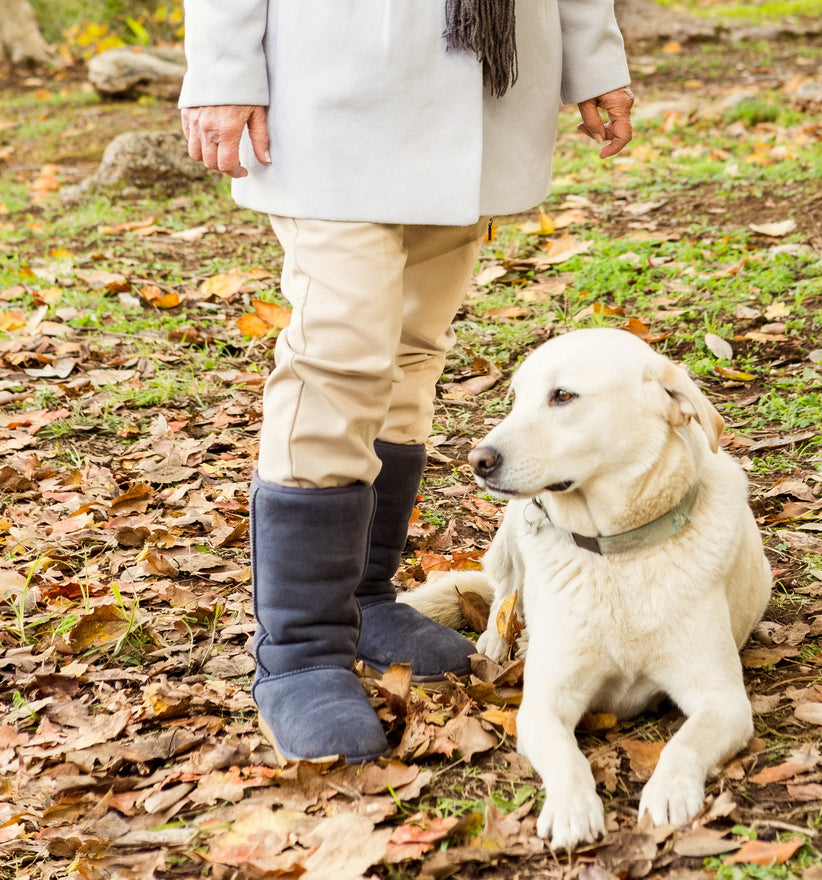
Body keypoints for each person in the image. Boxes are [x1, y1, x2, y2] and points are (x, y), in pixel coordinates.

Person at [178, 1, 634, 764]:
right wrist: (224, 69)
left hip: (485, 69)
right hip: (333, 73)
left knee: (412, 345)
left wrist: (594, 57)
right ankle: (299, 650)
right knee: (341, 354)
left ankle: (364, 598)